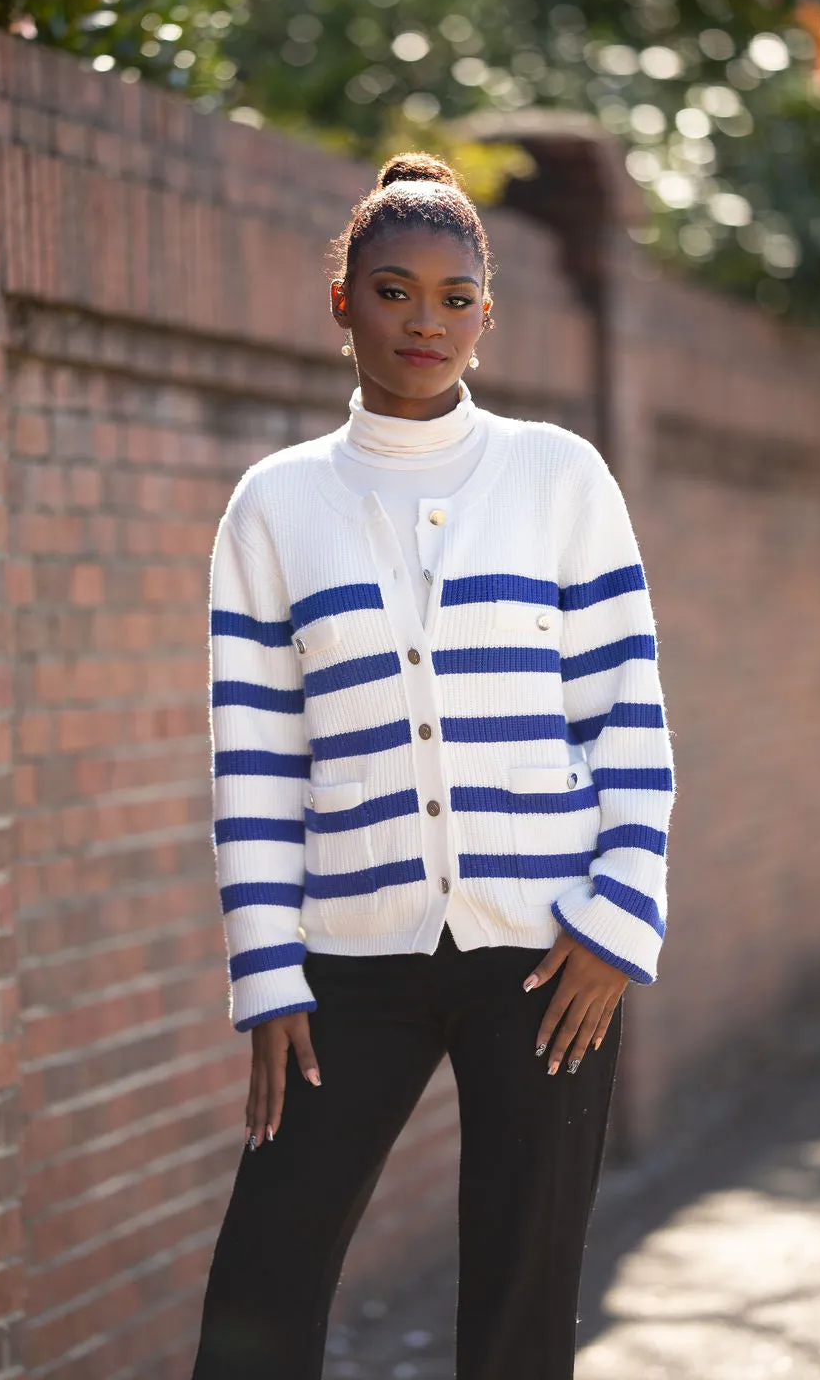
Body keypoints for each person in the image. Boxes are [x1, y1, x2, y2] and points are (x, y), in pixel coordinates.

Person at [192, 153, 674, 1380]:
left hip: (549, 955)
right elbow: (252, 759)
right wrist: (266, 978)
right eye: (396, 291)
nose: (427, 320)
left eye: (456, 296)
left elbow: (626, 712)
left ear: (487, 315)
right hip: (349, 957)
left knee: (522, 1303)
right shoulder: (274, 506)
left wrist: (619, 923)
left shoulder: (559, 477)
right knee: (262, 1278)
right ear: (340, 302)